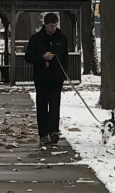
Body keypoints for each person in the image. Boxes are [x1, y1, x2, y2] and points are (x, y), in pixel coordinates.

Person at [24, 12, 68, 145]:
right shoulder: (36, 38)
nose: (53, 29)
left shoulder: (61, 38)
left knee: (55, 105)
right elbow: (28, 57)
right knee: (42, 105)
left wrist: (63, 74)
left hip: (56, 77)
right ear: (45, 25)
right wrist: (41, 57)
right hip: (41, 77)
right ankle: (43, 133)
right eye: (50, 26)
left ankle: (54, 131)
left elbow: (65, 57)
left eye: (55, 26)